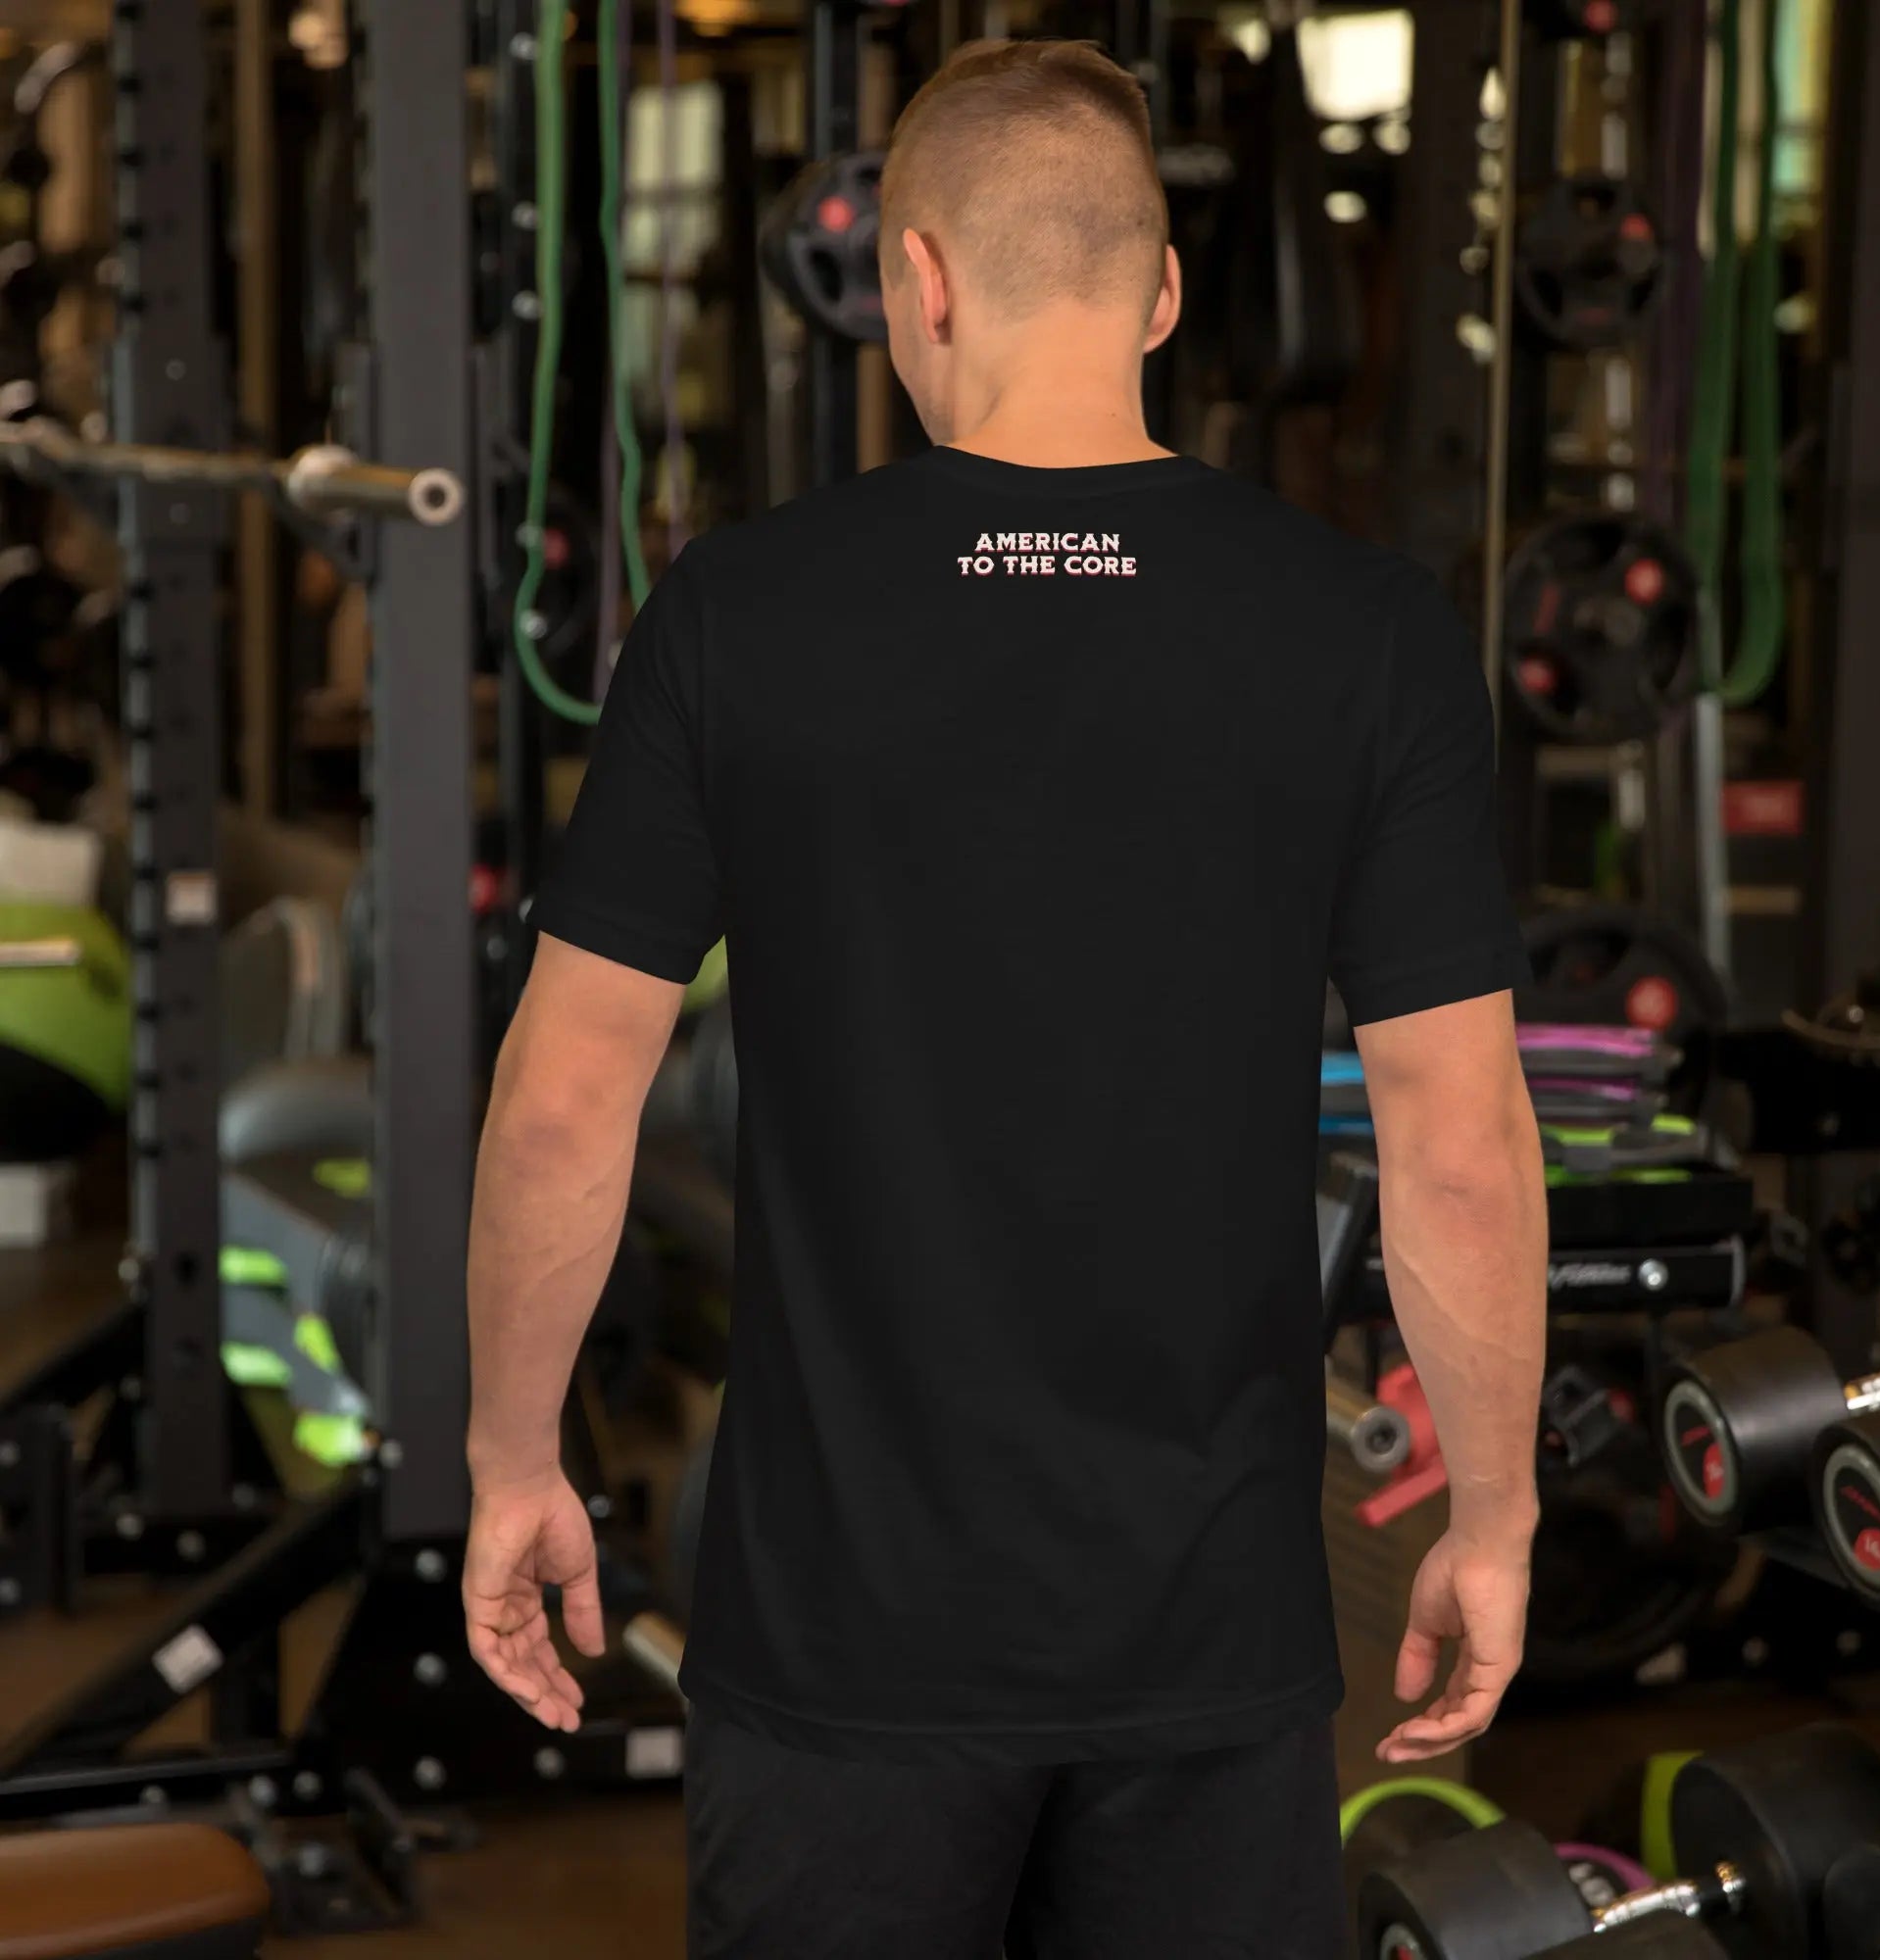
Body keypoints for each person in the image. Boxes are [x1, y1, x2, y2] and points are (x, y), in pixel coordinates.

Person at [464, 37, 1546, 1960]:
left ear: (917, 278)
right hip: (1205, 1639)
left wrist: (513, 1462)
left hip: (841, 1643)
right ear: (1164, 291)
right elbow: (1452, 1138)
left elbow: (563, 1103)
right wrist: (1496, 1514)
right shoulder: (1359, 631)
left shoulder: (738, 611)